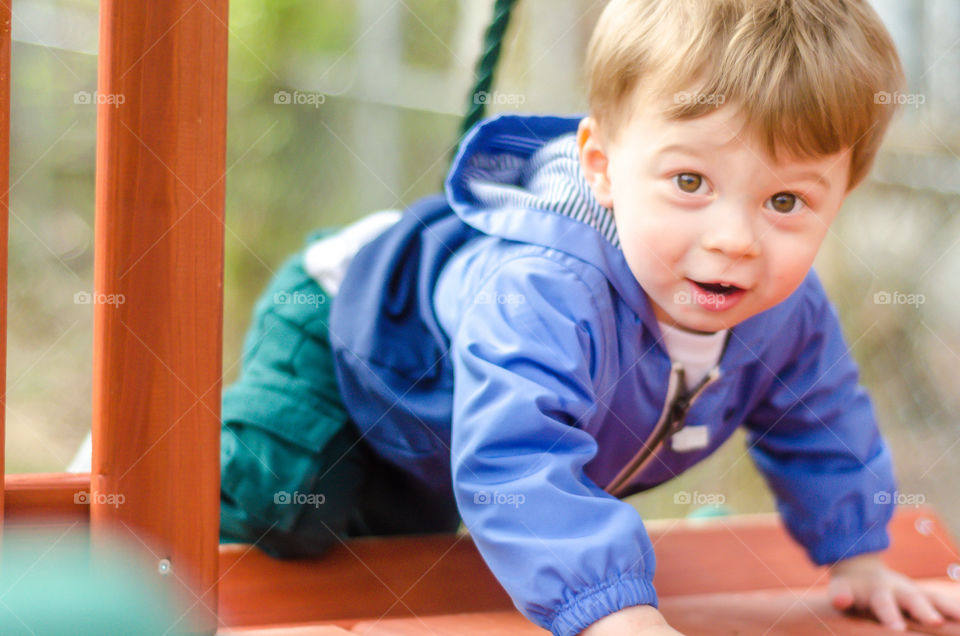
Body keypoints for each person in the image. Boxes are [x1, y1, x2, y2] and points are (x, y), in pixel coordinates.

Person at [218, 0, 960, 634]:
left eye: (786, 202)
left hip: (438, 424)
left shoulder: (786, 313)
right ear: (601, 168)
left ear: (841, 195)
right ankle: (136, 473)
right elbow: (518, 455)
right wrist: (611, 607)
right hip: (353, 324)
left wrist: (858, 555)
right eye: (691, 181)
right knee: (285, 499)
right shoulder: (546, 288)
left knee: (399, 561)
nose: (734, 239)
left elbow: (820, 420)